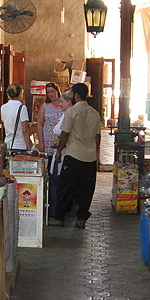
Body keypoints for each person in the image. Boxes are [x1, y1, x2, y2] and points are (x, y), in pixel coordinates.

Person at [48, 83, 101, 229]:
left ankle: (59, 217)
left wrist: (59, 151)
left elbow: (64, 134)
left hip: (73, 155)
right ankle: (81, 219)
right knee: (86, 189)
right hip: (89, 158)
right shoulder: (95, 113)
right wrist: (95, 153)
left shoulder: (72, 112)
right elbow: (98, 137)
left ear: (76, 96)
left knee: (66, 187)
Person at [48, 88, 74, 219]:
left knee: (57, 184)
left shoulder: (68, 115)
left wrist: (58, 125)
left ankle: (56, 213)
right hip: (66, 154)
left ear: (69, 102)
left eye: (62, 101)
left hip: (62, 153)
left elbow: (61, 132)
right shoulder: (68, 114)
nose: (60, 104)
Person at [0, 83, 32, 152]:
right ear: (20, 94)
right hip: (20, 144)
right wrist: (29, 148)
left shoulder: (3, 107)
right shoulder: (22, 108)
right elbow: (24, 130)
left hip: (8, 143)